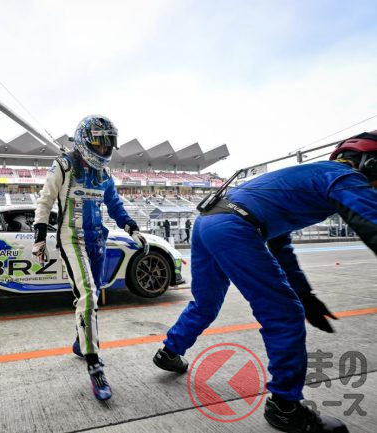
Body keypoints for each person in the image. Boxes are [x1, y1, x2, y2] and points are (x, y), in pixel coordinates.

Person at [153, 131, 377, 433]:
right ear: (370, 164)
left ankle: (169, 351)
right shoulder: (345, 177)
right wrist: (301, 300)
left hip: (208, 221)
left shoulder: (306, 177)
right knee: (284, 315)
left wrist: (306, 295)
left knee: (206, 303)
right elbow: (372, 224)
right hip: (234, 225)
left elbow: (281, 247)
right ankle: (285, 407)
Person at [33, 115, 149, 401]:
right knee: (88, 295)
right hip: (70, 238)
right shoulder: (63, 165)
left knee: (93, 295)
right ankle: (95, 365)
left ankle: (80, 342)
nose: (104, 148)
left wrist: (132, 228)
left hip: (98, 240)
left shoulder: (105, 173)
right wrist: (39, 238)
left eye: (109, 143)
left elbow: (115, 205)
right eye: (99, 142)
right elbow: (45, 201)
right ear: (85, 140)